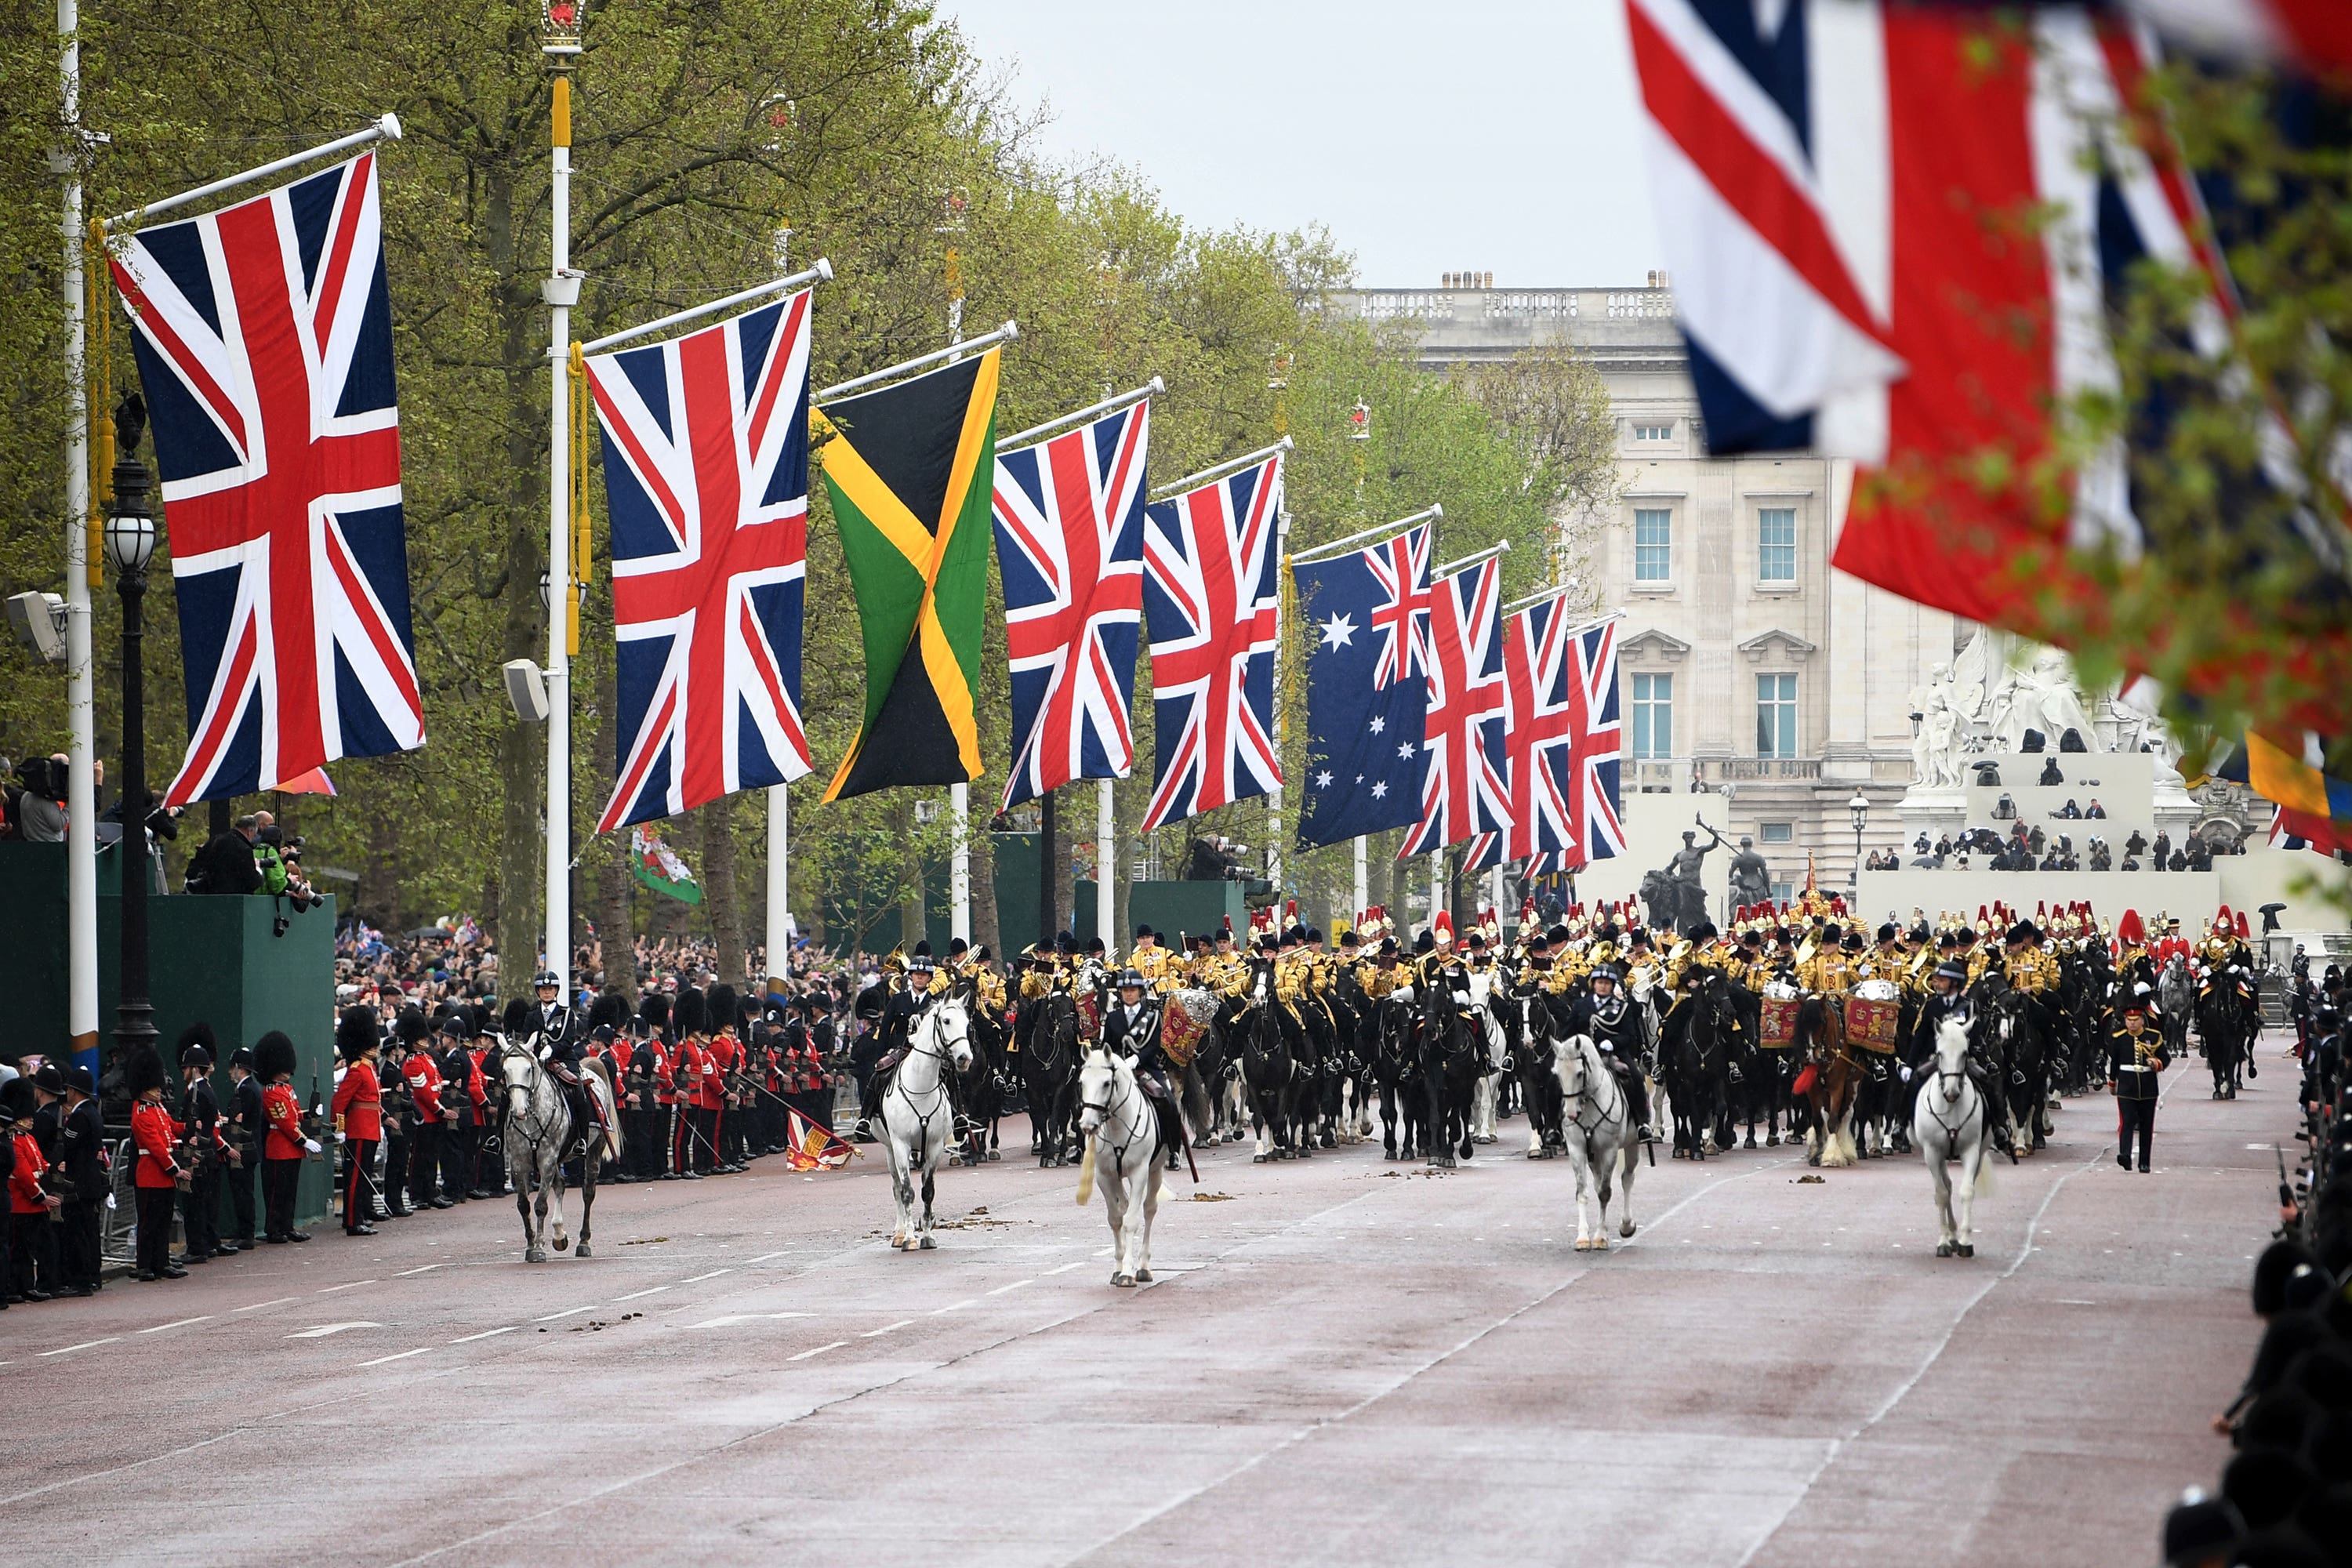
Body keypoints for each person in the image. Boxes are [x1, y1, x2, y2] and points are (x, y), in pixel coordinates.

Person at [124, 1040, 187, 1282]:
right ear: (144, 1087)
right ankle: (144, 1265)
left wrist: (189, 1127)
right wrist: (175, 1169)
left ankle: (161, 1262)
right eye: (155, 1086)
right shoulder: (141, 1113)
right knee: (149, 1223)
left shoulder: (157, 1108)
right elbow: (156, 1147)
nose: (160, 1090)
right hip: (151, 1174)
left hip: (163, 1176)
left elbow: (171, 1129)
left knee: (162, 1222)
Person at [256, 1029, 314, 1242]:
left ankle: (287, 1226)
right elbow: (283, 1121)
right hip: (280, 1147)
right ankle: (274, 1229)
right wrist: (304, 1140)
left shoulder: (287, 1089)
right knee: (277, 1193)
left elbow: (295, 1114)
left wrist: (310, 1114)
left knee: (290, 1192)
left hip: (292, 1148)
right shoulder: (271, 1091)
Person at [176, 1029, 229, 1262]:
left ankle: (197, 1247)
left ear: (194, 1069)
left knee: (194, 1204)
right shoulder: (207, 1090)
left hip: (197, 1154)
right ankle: (207, 1243)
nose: (184, 1072)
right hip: (209, 1154)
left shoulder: (196, 1093)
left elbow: (191, 1127)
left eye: (186, 1068)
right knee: (205, 1203)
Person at [5, 1078, 60, 1300]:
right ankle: (18, 1287)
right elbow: (24, 1175)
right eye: (27, 1117)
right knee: (19, 1250)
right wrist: (41, 1197)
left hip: (32, 1204)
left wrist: (53, 1167)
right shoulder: (15, 1140)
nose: (30, 1119)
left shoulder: (27, 1138)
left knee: (28, 1249)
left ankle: (26, 1285)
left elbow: (39, 1163)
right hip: (22, 1202)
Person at [331, 1007, 383, 1236]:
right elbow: (339, 1102)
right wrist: (339, 1129)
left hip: (370, 1127)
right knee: (355, 1177)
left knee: (363, 1176)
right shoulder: (357, 1071)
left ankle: (357, 1215)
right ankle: (353, 1222)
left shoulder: (369, 1068)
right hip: (359, 1128)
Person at [56, 1066, 105, 1293]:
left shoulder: (80, 1116)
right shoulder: (92, 1112)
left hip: (80, 1182)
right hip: (92, 1180)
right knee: (90, 1231)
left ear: (75, 1091)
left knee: (79, 1232)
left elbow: (67, 1145)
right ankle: (93, 1275)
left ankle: (82, 1280)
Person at [2109, 996, 2168, 1173]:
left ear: (2142, 1020)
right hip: (2127, 1085)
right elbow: (2115, 1062)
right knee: (2127, 1122)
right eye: (2129, 1020)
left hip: (2148, 1086)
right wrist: (2112, 1082)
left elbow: (2165, 1058)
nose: (2132, 1024)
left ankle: (2144, 1162)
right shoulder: (2119, 1038)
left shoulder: (2153, 1036)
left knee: (2146, 1125)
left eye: (2135, 1021)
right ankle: (2125, 1155)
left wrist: (2156, 1063)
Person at [223, 1046, 264, 1246]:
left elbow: (240, 1121)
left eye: (233, 1069)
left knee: (242, 1193)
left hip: (243, 1149)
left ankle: (246, 1234)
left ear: (240, 1068)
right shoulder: (249, 1088)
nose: (231, 1073)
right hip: (247, 1149)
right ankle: (245, 1233)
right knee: (243, 1192)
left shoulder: (246, 1090)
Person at [185, 812, 263, 895]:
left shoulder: (215, 841)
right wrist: (257, 868)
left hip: (208, 897)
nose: (253, 839)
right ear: (250, 831)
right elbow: (252, 882)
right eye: (254, 836)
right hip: (233, 900)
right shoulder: (244, 850)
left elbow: (193, 870)